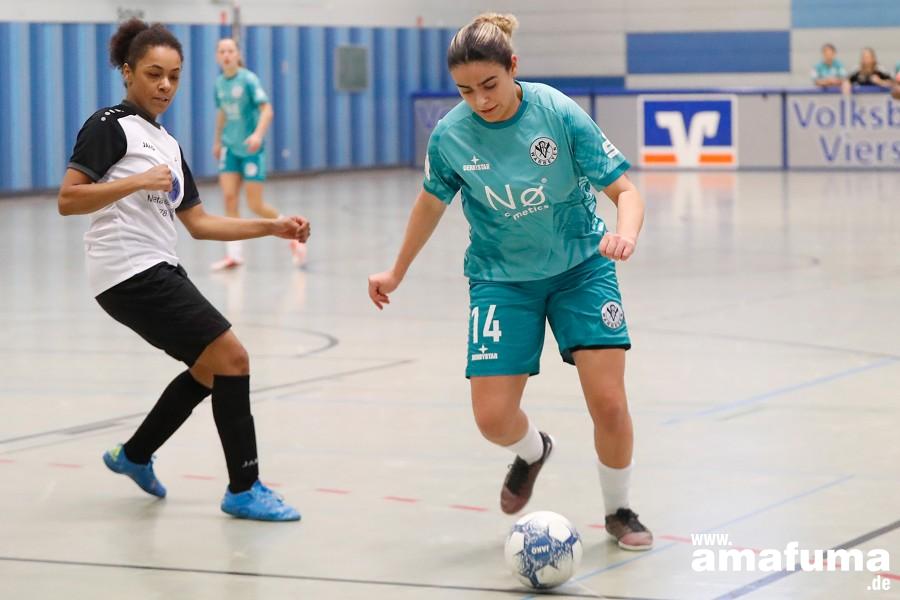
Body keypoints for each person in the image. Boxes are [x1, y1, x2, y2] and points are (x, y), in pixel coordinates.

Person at [368, 13, 653, 551]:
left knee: (610, 404)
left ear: (513, 67)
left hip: (581, 269)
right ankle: (532, 451)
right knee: (493, 418)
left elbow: (626, 192)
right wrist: (396, 270)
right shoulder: (451, 135)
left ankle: (619, 510)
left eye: (489, 85)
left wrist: (626, 234)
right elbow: (430, 204)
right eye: (465, 90)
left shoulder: (556, 112)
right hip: (501, 279)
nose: (479, 100)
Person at [57, 18, 309, 521]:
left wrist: (271, 227)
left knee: (210, 369)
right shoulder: (109, 125)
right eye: (154, 74)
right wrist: (135, 182)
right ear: (128, 73)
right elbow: (69, 198)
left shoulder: (167, 144)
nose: (165, 86)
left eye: (174, 76)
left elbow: (199, 223)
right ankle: (244, 488)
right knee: (233, 358)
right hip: (128, 270)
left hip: (159, 266)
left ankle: (134, 455)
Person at [211, 37, 307, 270]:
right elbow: (222, 113)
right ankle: (234, 255)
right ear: (217, 57)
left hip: (251, 149)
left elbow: (267, 110)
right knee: (229, 198)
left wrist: (257, 135)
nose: (226, 55)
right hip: (229, 148)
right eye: (222, 51)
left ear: (238, 54)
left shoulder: (249, 79)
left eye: (230, 51)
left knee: (255, 204)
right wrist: (217, 140)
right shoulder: (219, 83)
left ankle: (294, 233)